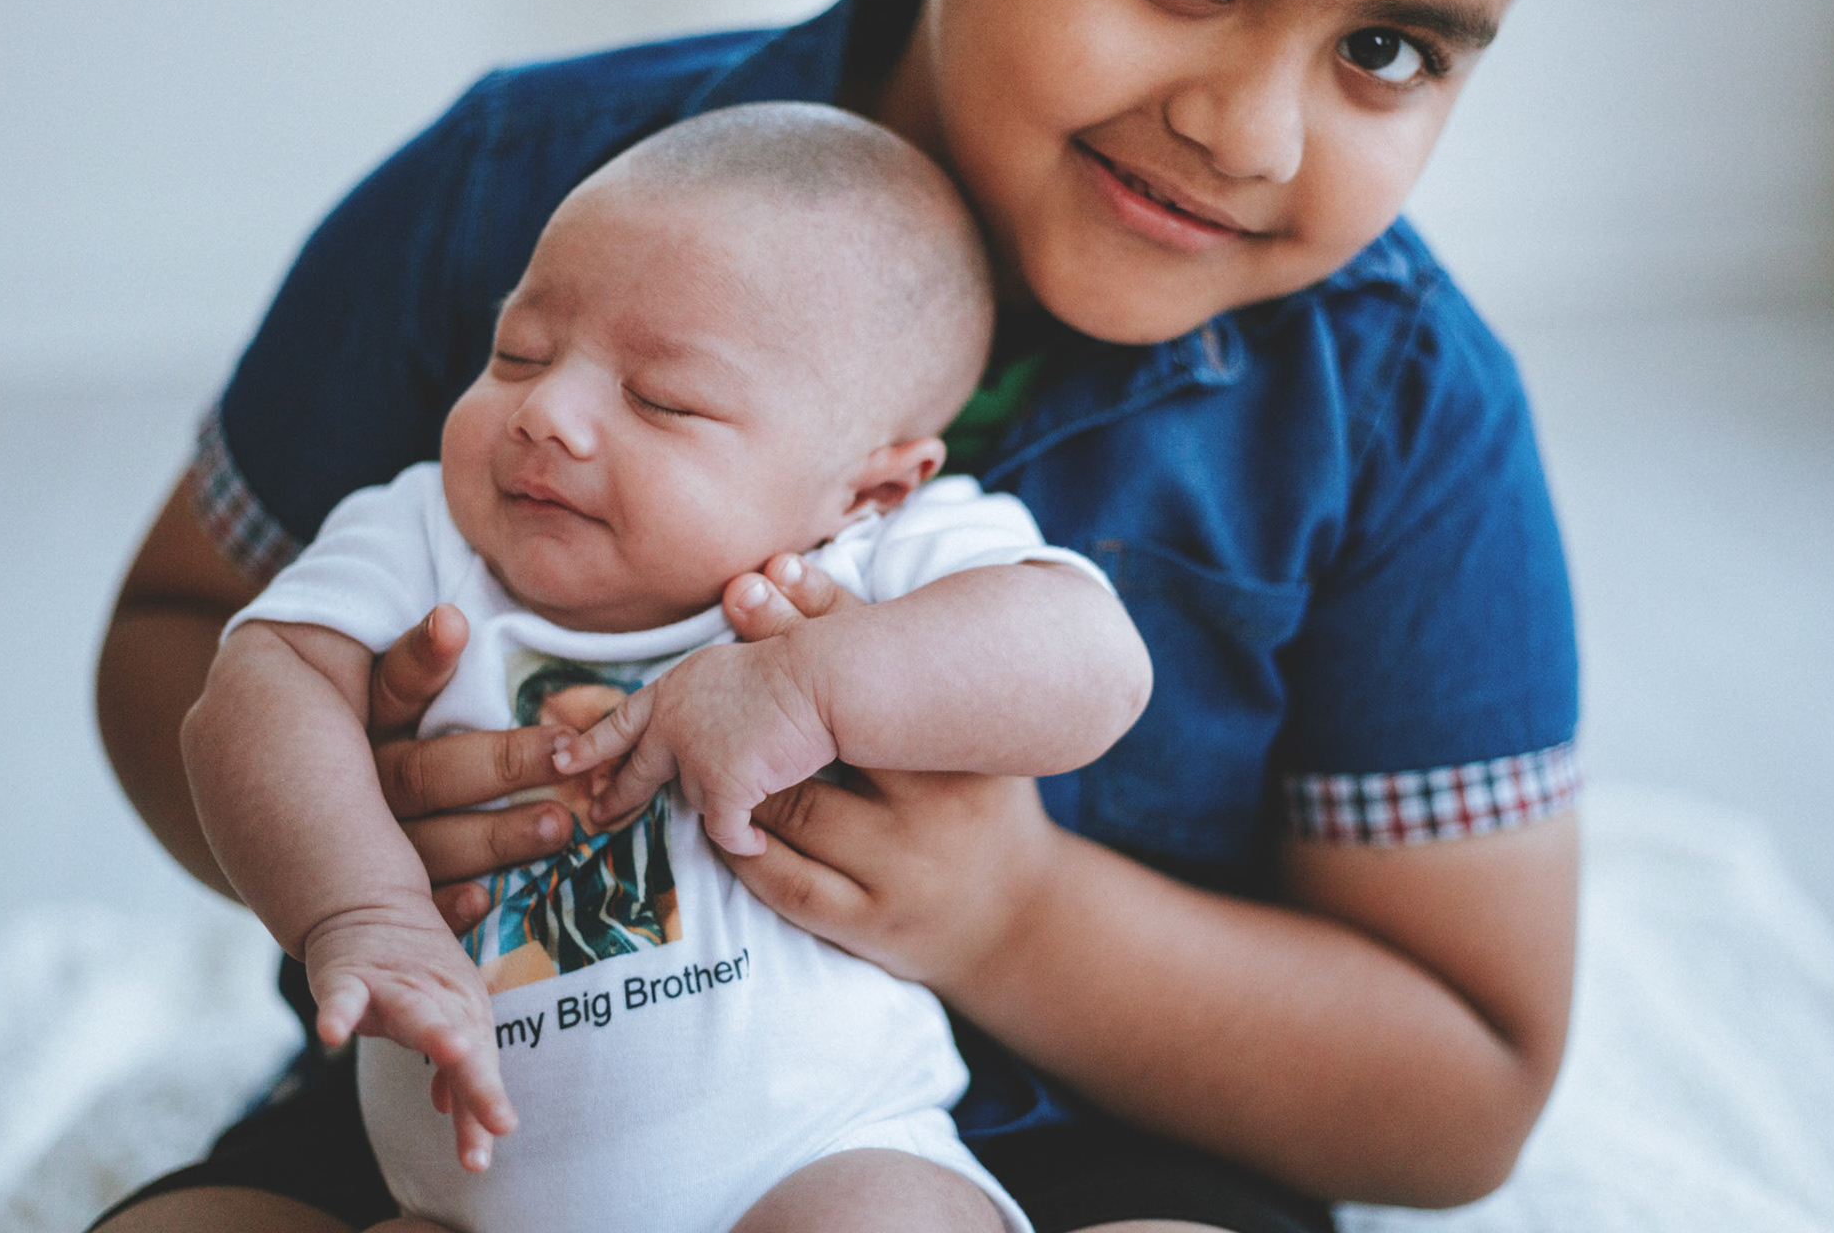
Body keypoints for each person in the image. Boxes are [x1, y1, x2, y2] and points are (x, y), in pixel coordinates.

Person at [94, 0, 1581, 1231]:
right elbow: (181, 632)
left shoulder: (1402, 402)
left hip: (1097, 1131)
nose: (1245, 129)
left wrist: (1012, 917)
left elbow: (1466, 1089)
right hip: (459, 1103)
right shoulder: (513, 177)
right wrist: (347, 844)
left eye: (1387, 47)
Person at [180, 102, 1149, 1233]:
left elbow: (1095, 666)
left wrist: (808, 683)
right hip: (468, 1202)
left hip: (815, 1155)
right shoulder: (426, 538)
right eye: (518, 352)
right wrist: (359, 907)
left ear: (869, 483)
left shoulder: (875, 554)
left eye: (662, 399)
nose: (548, 413)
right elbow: (255, 689)